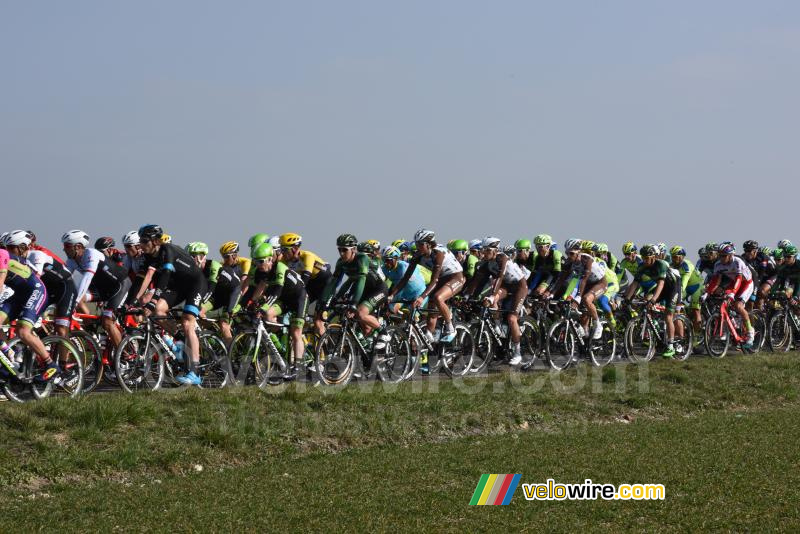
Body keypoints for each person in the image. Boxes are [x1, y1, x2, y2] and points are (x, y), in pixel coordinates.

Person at [138, 224, 206, 385]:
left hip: (195, 284)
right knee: (158, 312)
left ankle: (194, 373)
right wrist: (133, 301)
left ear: (155, 241)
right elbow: (141, 280)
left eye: (144, 241)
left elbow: (165, 276)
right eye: (140, 240)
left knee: (187, 321)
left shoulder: (167, 250)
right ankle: (180, 342)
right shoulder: (149, 256)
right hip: (178, 287)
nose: (141, 244)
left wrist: (153, 300)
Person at [389, 228, 465, 343]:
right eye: (416, 244)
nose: (418, 247)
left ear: (429, 244)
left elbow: (434, 281)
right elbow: (405, 278)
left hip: (456, 277)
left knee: (438, 298)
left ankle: (451, 328)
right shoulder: (418, 255)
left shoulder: (438, 254)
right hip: (442, 279)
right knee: (431, 308)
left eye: (420, 244)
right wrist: (392, 295)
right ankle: (429, 335)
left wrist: (421, 297)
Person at [463, 237, 530, 365]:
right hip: (506, 286)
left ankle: (517, 353)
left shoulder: (502, 258)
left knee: (511, 318)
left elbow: (500, 277)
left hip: (520, 287)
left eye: (487, 250)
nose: (484, 253)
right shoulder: (486, 262)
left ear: (495, 250)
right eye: (482, 250)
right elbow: (476, 281)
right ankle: (498, 326)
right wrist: (467, 296)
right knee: (491, 300)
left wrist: (492, 295)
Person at [62, 229, 131, 353]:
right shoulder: (71, 261)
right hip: (102, 290)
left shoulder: (91, 254)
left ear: (78, 246)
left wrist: (74, 300)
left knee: (107, 321)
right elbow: (63, 279)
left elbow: (87, 279)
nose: (64, 249)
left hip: (120, 285)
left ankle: (124, 355)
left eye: (67, 246)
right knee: (80, 301)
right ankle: (92, 332)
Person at [248, 243, 308, 377]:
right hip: (285, 300)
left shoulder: (280, 267)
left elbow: (277, 292)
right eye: (255, 261)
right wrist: (251, 304)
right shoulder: (263, 272)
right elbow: (260, 290)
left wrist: (262, 308)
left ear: (270, 259)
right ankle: (281, 338)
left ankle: (298, 367)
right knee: (269, 315)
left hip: (299, 298)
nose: (258, 264)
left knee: (296, 332)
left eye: (260, 261)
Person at [319, 234, 389, 349]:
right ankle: (365, 344)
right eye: (339, 249)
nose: (341, 253)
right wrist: (326, 301)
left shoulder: (362, 258)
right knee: (349, 315)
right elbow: (335, 283)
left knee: (361, 313)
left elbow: (361, 280)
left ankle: (383, 332)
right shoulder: (341, 262)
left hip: (378, 289)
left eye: (344, 250)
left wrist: (354, 302)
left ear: (354, 249)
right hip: (364, 290)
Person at [5, 230, 77, 341]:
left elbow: (35, 277)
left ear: (22, 247)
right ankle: (44, 345)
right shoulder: (20, 261)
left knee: (61, 328)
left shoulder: (36, 255)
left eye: (11, 247)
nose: (8, 251)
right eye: (6, 248)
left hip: (65, 288)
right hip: (47, 290)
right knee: (28, 323)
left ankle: (63, 358)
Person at [0, 247, 59, 381]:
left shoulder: (1, 254)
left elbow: (0, 283)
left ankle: (51, 364)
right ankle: (11, 354)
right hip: (20, 294)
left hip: (36, 291)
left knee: (23, 331)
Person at [624, 244, 682, 358]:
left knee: (668, 316)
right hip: (662, 287)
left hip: (673, 287)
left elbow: (661, 283)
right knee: (647, 302)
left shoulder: (661, 264)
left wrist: (654, 299)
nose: (645, 261)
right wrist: (627, 299)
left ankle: (670, 345)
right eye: (643, 258)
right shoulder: (642, 266)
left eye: (647, 258)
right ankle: (656, 333)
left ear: (654, 257)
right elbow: (635, 283)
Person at [278, 233, 331, 336]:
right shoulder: (284, 261)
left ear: (295, 248)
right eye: (281, 250)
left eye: (285, 250)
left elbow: (304, 282)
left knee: (318, 321)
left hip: (325, 285)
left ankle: (327, 349)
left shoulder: (307, 256)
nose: (282, 253)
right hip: (312, 285)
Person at [705, 242, 755, 348]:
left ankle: (750, 332)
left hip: (746, 283)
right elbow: (715, 281)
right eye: (720, 255)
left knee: (738, 306)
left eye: (724, 256)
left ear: (731, 255)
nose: (722, 258)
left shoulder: (737, 261)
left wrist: (732, 293)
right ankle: (729, 327)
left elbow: (739, 279)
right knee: (723, 303)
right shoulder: (718, 264)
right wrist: (707, 293)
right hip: (733, 283)